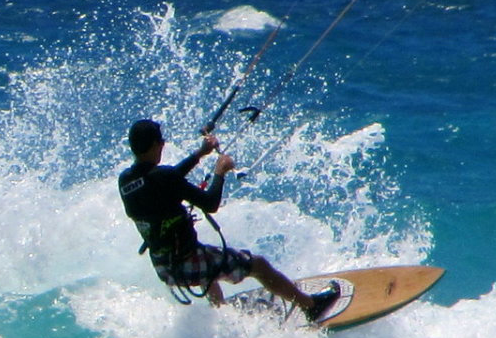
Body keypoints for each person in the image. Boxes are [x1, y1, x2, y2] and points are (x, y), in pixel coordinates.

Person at [117, 118, 338, 320]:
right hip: (188, 261)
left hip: (165, 267)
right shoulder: (164, 177)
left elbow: (164, 179)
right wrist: (220, 172)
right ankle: (310, 306)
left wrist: (199, 154)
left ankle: (221, 317)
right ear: (156, 144)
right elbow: (210, 203)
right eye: (162, 141)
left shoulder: (126, 181)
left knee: (210, 273)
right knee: (258, 265)